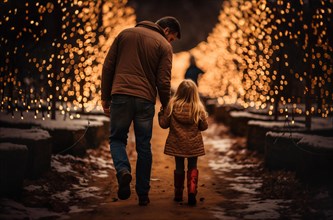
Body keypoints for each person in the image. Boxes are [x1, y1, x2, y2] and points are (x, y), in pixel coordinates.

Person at [101, 16, 181, 206]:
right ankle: (143, 194)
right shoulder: (164, 45)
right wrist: (165, 105)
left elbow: (108, 66)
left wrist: (106, 96)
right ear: (167, 30)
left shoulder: (124, 34)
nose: (170, 42)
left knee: (117, 139)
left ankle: (122, 171)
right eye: (172, 38)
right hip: (145, 99)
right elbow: (163, 81)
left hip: (120, 94)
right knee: (144, 146)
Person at [158, 79, 208, 206]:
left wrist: (160, 115)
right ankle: (192, 192)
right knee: (192, 167)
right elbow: (203, 127)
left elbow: (164, 124)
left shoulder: (172, 106)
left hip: (177, 143)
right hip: (193, 145)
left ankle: (178, 194)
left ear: (179, 92)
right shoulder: (198, 108)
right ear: (194, 93)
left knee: (179, 167)